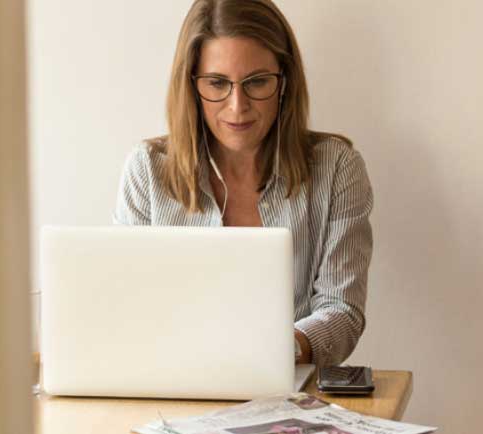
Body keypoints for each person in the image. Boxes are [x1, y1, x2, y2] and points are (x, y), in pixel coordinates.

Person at [114, 0, 373, 367]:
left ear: (284, 81)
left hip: (288, 390)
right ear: (191, 85)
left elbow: (343, 310)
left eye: (257, 83)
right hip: (172, 385)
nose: (238, 106)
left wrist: (285, 348)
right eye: (217, 83)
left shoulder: (336, 167)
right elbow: (127, 308)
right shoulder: (148, 171)